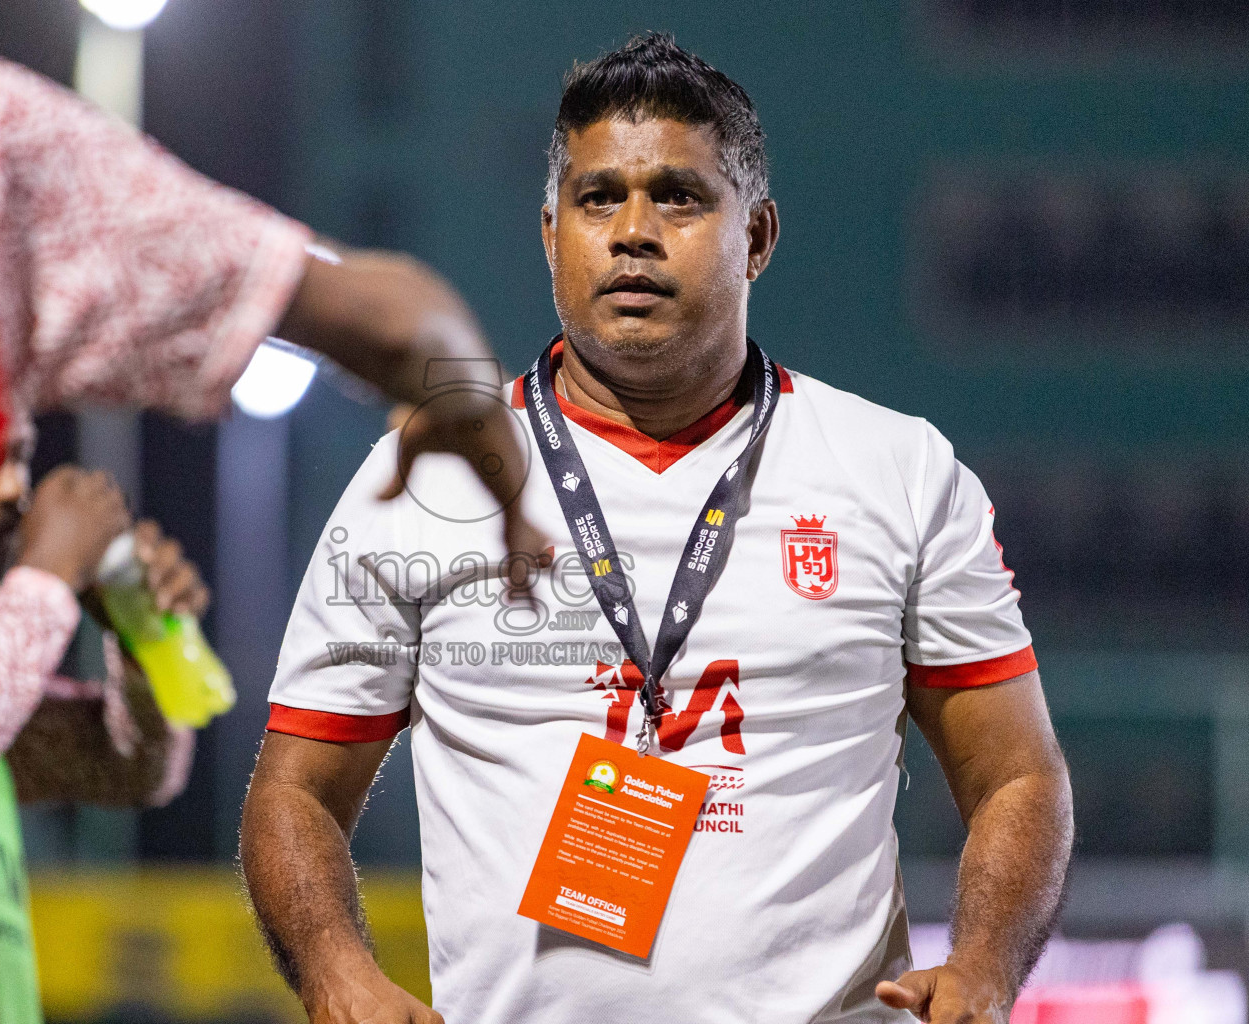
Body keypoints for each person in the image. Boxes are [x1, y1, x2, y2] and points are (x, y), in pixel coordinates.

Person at [0, 2, 540, 1021]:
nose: (9, 475)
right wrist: (498, 458)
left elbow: (121, 763)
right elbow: (385, 312)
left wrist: (136, 645)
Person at [241, 34, 1073, 1024]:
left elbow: (1018, 773)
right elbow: (293, 791)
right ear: (550, 233)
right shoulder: (428, 478)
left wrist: (983, 967)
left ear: (757, 236)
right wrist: (337, 975)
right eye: (599, 199)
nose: (634, 230)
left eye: (679, 195)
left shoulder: (897, 471)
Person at [0, 449, 202, 1024]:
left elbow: (135, 768)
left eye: (20, 458)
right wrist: (50, 572)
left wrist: (137, 632)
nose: (13, 488)